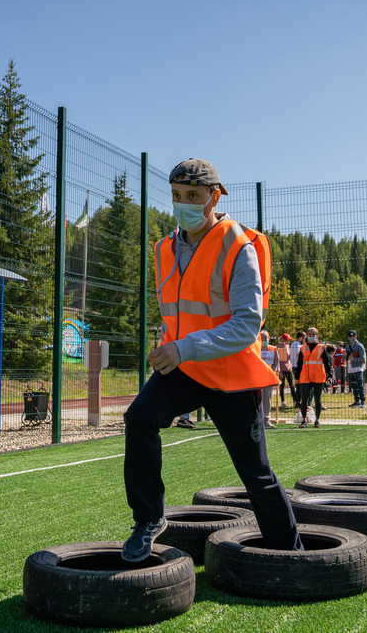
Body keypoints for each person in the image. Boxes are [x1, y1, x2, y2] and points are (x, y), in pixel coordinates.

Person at [121, 158, 301, 562]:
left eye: (193, 197)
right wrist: (172, 349)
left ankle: (292, 556)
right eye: (176, 196)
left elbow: (246, 325)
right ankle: (149, 518)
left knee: (256, 475)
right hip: (183, 368)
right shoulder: (163, 249)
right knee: (139, 417)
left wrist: (184, 347)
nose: (183, 204)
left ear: (214, 197)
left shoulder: (239, 245)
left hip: (232, 374)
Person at [293, 327, 334, 428]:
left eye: (314, 334)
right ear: (306, 335)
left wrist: (329, 376)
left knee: (318, 399)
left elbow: (327, 363)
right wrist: (297, 377)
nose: (312, 336)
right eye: (310, 334)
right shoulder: (303, 348)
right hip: (305, 376)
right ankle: (304, 420)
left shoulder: (321, 348)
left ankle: (317, 420)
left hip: (318, 376)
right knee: (304, 399)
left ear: (317, 336)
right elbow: (299, 364)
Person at [345, 329, 367, 408]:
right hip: (350, 368)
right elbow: (346, 359)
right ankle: (356, 400)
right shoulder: (348, 347)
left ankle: (363, 401)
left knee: (360, 385)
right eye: (349, 337)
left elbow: (363, 358)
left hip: (358, 368)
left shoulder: (360, 346)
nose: (351, 338)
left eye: (352, 336)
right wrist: (345, 356)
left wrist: (354, 359)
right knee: (353, 385)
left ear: (355, 336)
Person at [259, 330, 277, 426]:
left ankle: (266, 419)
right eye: (262, 338)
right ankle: (260, 419)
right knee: (259, 398)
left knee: (267, 398)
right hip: (258, 377)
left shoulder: (273, 349)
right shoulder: (256, 349)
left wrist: (272, 371)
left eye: (265, 338)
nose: (264, 340)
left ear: (268, 339)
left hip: (269, 377)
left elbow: (276, 362)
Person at [288, 330, 307, 406]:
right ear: (301, 337)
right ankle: (298, 402)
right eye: (304, 338)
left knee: (298, 385)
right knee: (300, 386)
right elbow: (299, 355)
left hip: (293, 366)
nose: (304, 340)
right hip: (297, 366)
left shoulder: (293, 344)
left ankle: (297, 401)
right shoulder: (298, 345)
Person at [275, 333, 294, 410]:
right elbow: (280, 360)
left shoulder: (287, 346)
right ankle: (283, 401)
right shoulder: (279, 347)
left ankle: (295, 401)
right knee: (282, 386)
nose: (289, 341)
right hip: (282, 370)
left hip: (288, 368)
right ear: (284, 340)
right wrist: (280, 371)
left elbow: (288, 358)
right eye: (288, 340)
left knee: (292, 385)